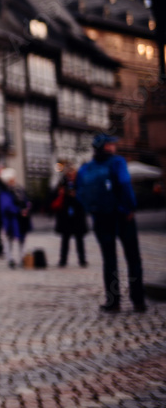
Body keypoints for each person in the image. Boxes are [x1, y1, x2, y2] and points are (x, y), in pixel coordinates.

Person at [77, 133, 146, 313]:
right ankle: (138, 300)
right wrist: (129, 207)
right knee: (133, 258)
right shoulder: (117, 162)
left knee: (109, 260)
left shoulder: (86, 168)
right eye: (111, 143)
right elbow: (124, 183)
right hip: (122, 216)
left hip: (100, 217)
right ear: (106, 146)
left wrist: (92, 210)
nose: (114, 146)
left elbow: (79, 192)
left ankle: (113, 301)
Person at [52, 167, 87, 267]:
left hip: (77, 215)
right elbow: (54, 195)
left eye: (73, 175)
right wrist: (63, 193)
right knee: (65, 239)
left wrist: (76, 195)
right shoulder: (62, 184)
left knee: (79, 239)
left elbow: (84, 196)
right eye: (69, 175)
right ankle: (63, 260)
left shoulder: (79, 184)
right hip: (65, 215)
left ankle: (82, 259)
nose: (71, 177)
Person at [0, 168, 31, 268]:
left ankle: (22, 257)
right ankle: (10, 258)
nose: (13, 180)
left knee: (22, 238)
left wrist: (27, 207)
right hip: (11, 219)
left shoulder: (19, 189)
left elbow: (26, 200)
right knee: (10, 238)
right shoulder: (4, 192)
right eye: (11, 179)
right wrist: (19, 211)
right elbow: (6, 206)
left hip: (22, 218)